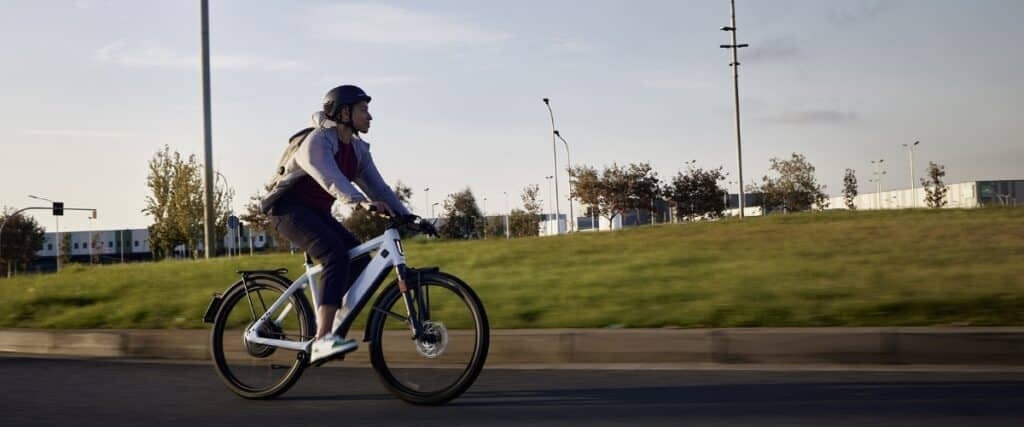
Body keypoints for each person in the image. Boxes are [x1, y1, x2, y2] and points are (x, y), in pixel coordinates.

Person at [264, 85, 419, 364]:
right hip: (287, 210)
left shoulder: (357, 149)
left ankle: (331, 328)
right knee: (335, 253)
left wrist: (408, 217)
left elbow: (379, 188)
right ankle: (323, 339)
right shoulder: (317, 141)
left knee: (360, 262)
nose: (369, 117)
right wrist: (359, 202)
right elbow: (330, 177)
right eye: (363, 110)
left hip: (317, 213)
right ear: (344, 112)